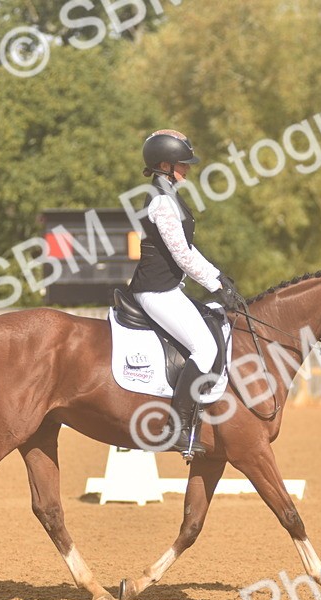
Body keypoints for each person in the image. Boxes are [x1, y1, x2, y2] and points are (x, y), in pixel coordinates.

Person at [128, 129, 244, 459]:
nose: (188, 168)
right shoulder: (162, 202)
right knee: (206, 348)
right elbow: (182, 255)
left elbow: (189, 249)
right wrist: (216, 285)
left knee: (213, 324)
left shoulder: (170, 195)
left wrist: (220, 276)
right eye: (183, 163)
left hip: (167, 289)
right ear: (165, 164)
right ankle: (175, 428)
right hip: (156, 291)